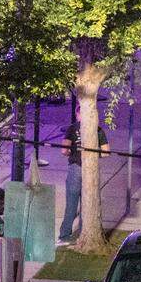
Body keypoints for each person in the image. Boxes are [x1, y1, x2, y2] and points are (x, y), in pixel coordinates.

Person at [59, 102, 109, 245]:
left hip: (75, 167)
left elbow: (64, 150)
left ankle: (64, 236)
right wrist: (94, 155)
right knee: (87, 205)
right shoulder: (98, 130)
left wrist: (71, 152)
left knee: (71, 204)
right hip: (91, 170)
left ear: (78, 114)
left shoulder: (72, 128)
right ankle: (83, 234)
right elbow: (106, 153)